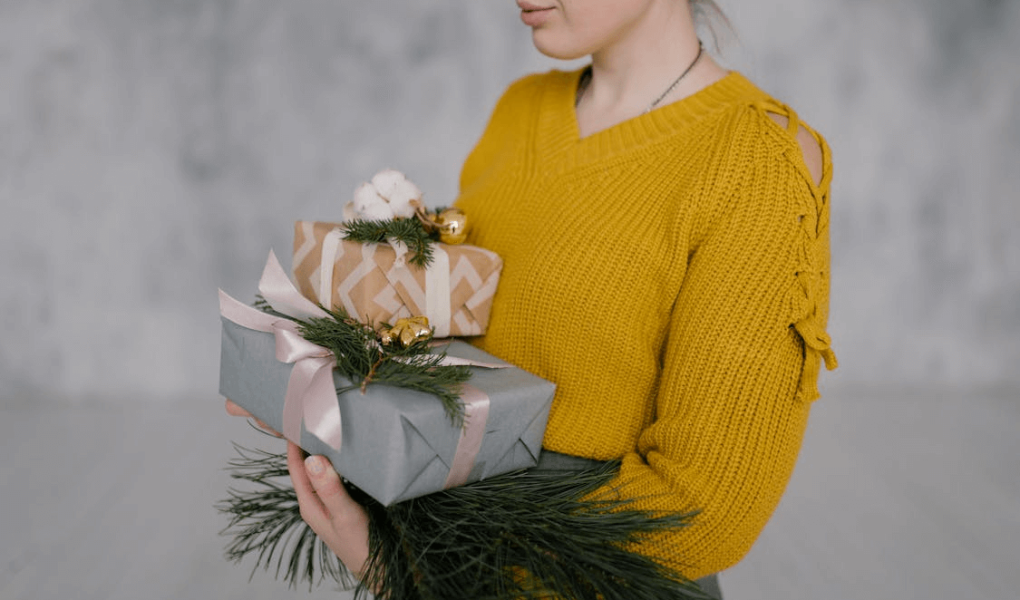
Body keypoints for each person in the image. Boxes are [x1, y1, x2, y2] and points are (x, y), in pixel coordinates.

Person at [227, 0, 837, 596]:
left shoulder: (761, 161)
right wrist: (334, 399)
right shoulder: (521, 111)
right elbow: (464, 350)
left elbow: (702, 512)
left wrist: (428, 575)